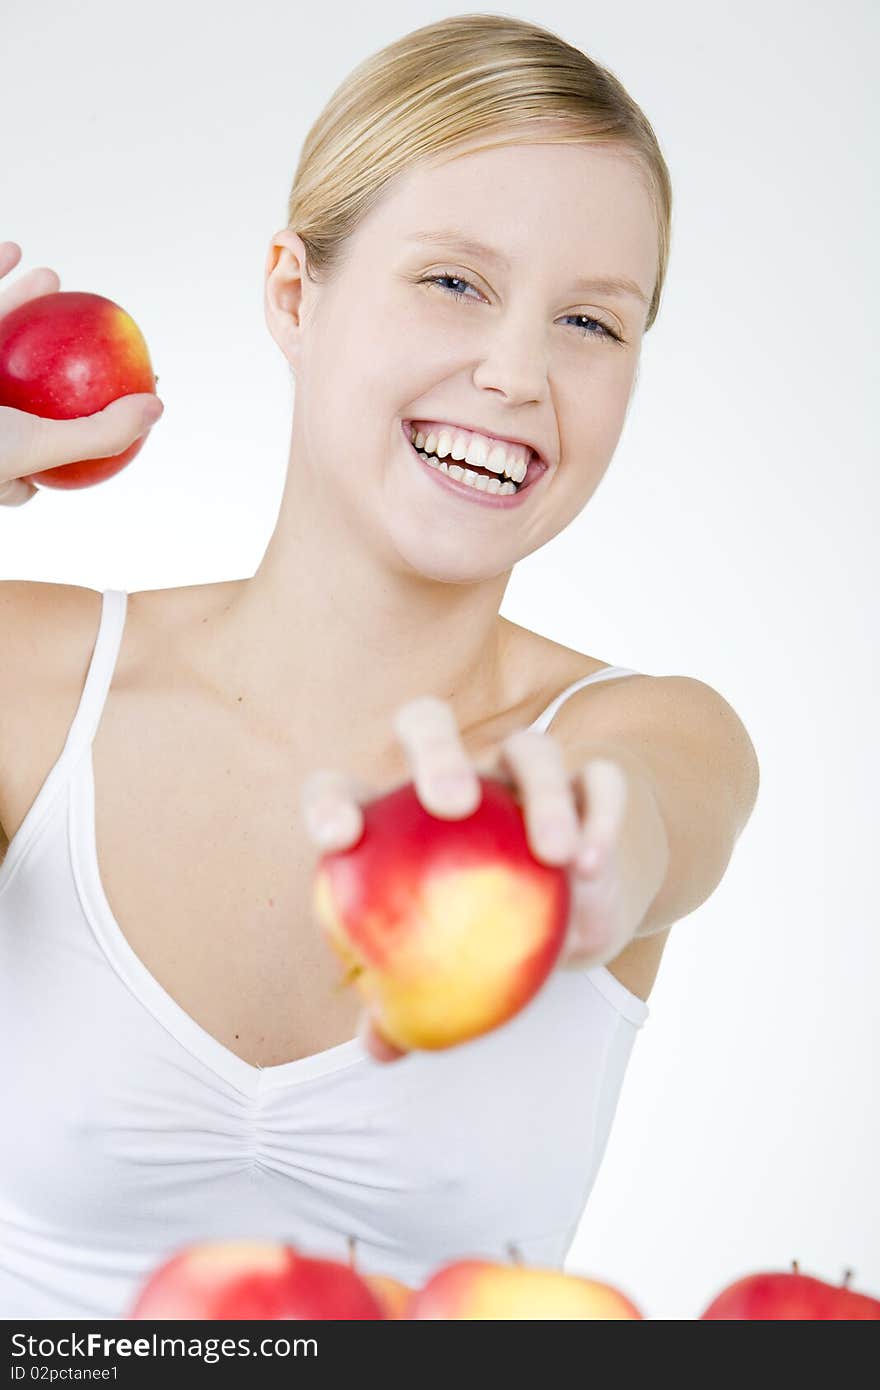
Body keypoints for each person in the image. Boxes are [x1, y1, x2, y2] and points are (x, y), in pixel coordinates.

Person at [0, 15, 759, 1319]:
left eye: (590, 320)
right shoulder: (32, 675)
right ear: (296, 292)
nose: (516, 373)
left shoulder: (645, 733)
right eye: (455, 282)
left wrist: (592, 863)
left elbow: (652, 809)